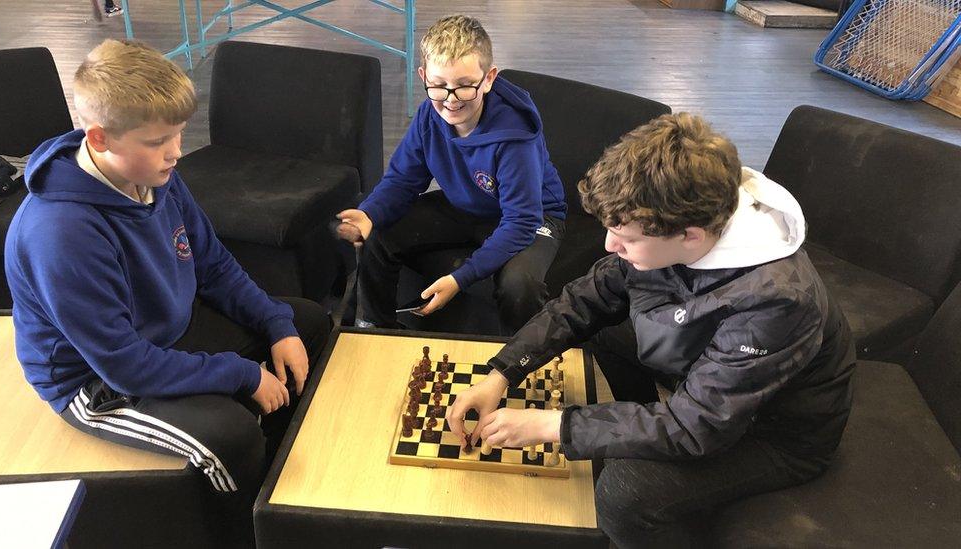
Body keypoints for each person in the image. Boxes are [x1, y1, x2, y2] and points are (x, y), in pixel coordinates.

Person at [448, 113, 856, 548]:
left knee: (625, 492)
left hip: (774, 433)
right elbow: (581, 302)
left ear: (691, 238)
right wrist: (503, 372)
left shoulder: (777, 300)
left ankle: (643, 440)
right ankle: (640, 421)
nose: (609, 247)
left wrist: (555, 426)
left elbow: (698, 425)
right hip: (711, 378)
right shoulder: (669, 222)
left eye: (625, 238)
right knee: (601, 329)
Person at [4, 39, 330, 546]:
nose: (177, 152)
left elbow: (214, 265)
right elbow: (125, 365)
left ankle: (276, 471)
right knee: (230, 436)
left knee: (305, 322)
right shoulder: (60, 232)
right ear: (100, 137)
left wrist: (275, 323)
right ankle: (244, 530)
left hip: (164, 331)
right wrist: (243, 374)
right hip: (95, 381)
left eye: (178, 134)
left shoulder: (154, 174)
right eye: (159, 141)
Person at [336, 14, 567, 335]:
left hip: (534, 216)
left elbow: (521, 221)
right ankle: (378, 328)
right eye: (439, 85)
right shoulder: (429, 117)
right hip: (468, 205)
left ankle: (520, 360)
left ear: (488, 79)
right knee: (378, 231)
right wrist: (370, 213)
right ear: (424, 77)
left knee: (520, 287)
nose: (451, 99)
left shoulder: (515, 137)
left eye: (464, 86)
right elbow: (403, 181)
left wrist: (461, 278)